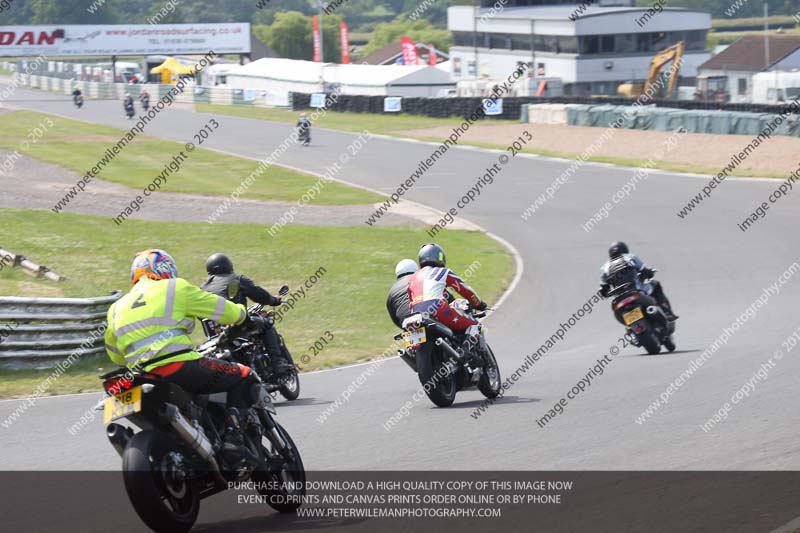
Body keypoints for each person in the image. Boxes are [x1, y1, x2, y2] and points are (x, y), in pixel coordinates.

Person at [104, 249, 267, 464]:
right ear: (165, 268)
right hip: (178, 365)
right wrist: (244, 315)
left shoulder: (116, 307)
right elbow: (222, 310)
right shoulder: (174, 287)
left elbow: (115, 355)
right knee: (244, 375)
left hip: (138, 376)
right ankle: (233, 441)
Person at [200, 253, 292, 374]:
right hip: (237, 324)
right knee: (266, 324)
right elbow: (259, 294)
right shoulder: (236, 280)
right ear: (228, 265)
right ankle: (278, 363)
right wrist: (274, 300)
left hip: (214, 334)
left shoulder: (202, 288)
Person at [407, 243, 488, 336]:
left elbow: (411, 300)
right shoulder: (442, 272)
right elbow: (465, 290)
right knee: (476, 326)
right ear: (439, 257)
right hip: (437, 309)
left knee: (412, 347)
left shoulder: (412, 278)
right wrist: (479, 304)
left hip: (414, 315)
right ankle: (466, 348)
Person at [599, 241, 678, 320]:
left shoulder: (605, 268)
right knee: (656, 285)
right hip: (636, 291)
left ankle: (631, 331)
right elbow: (645, 271)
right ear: (624, 249)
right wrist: (650, 273)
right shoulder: (630, 257)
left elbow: (603, 289)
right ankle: (667, 312)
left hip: (619, 301)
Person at [387, 259, 418, 329]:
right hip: (425, 316)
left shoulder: (392, 290)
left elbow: (393, 315)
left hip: (407, 324)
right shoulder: (420, 280)